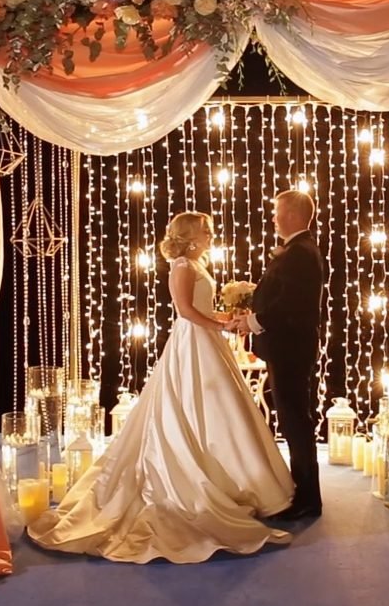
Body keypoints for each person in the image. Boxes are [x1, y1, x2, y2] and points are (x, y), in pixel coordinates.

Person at [26, 212, 295, 563]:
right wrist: (221, 326)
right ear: (191, 236)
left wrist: (222, 319)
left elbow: (198, 308)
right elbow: (185, 311)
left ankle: (227, 477)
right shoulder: (182, 265)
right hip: (192, 343)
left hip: (205, 341)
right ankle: (191, 481)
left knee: (216, 411)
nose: (211, 235)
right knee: (192, 405)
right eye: (206, 231)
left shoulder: (194, 263)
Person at [226, 190, 325, 520]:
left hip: (291, 350)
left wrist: (253, 321)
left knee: (296, 421)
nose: (273, 217)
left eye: (277, 212)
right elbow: (280, 296)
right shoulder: (297, 250)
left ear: (295, 216)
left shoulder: (300, 253)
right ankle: (304, 492)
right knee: (293, 420)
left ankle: (308, 499)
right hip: (286, 348)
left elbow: (292, 306)